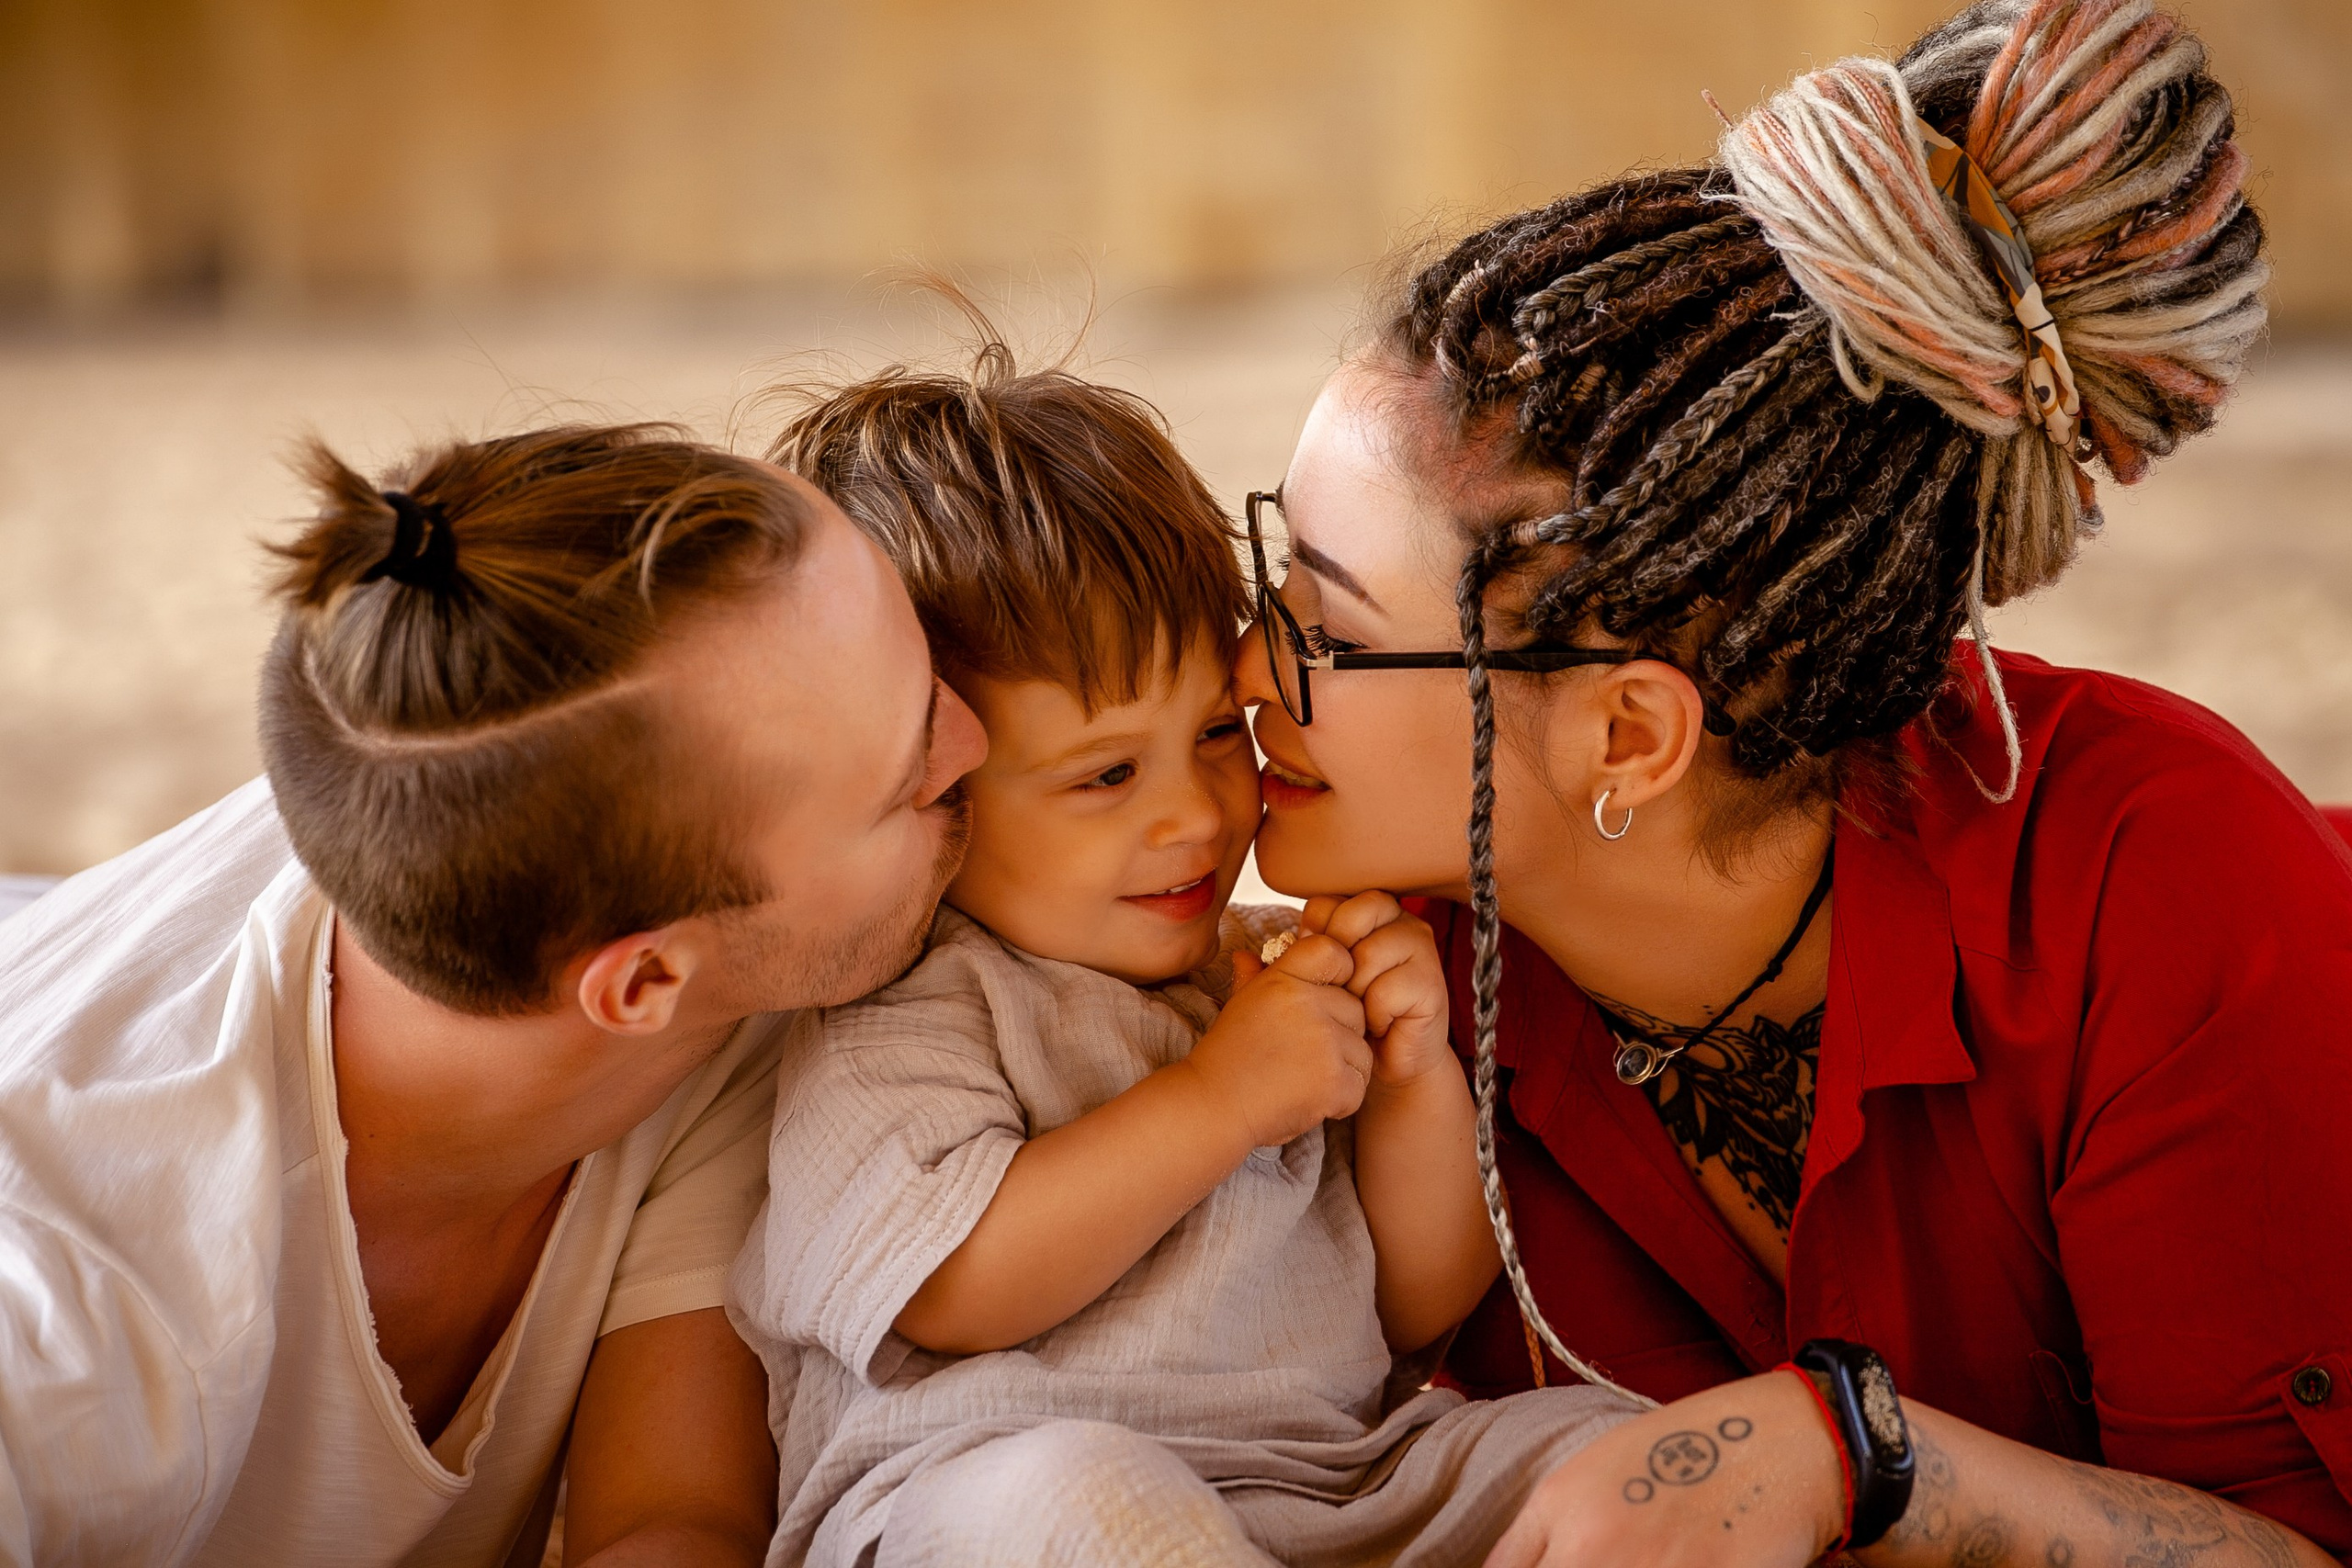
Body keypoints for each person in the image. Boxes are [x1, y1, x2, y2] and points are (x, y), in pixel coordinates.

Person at [1234, 0, 2351, 1562]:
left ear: (1629, 736)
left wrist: (1862, 1456)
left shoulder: (2164, 888)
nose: (1245, 665)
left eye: (1328, 621)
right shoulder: (1387, 985)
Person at [0, 424, 985, 1566]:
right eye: (909, 769)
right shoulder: (74, 1300)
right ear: (643, 979)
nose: (975, 738)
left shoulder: (548, 832)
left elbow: (673, 1521)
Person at [729, 346, 1639, 1568]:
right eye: (1107, 773)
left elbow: (1412, 1303)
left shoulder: (1260, 973)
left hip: (1324, 1484)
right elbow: (952, 1282)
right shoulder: (915, 1004)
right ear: (933, 784)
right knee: (1083, 1497)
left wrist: (1416, 1074)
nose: (1199, 816)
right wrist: (1222, 1098)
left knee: (1609, 1448)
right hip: (980, 1492)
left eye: (1216, 729)